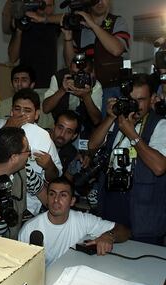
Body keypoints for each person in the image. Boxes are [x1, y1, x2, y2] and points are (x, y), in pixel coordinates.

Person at [88, 73, 166, 245]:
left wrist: (132, 134)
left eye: (141, 99)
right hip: (112, 199)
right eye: (131, 99)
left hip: (144, 206)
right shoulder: (117, 121)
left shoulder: (160, 125)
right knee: (109, 253)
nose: (135, 105)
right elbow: (92, 147)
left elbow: (160, 167)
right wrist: (110, 117)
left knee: (143, 261)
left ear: (152, 99)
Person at [0, 88, 62, 216]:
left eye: (27, 111)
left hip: (29, 205)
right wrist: (8, 127)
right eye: (17, 109)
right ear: (11, 110)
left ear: (36, 114)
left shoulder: (43, 136)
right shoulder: (0, 124)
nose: (21, 115)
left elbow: (55, 177)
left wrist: (49, 165)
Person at [18, 176, 131, 266]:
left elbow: (125, 231)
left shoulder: (83, 220)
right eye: (52, 194)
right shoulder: (30, 229)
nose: (56, 200)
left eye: (63, 195)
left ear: (72, 201)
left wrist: (109, 236)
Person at [62, 0, 130, 112]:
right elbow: (71, 65)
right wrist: (68, 37)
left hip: (113, 88)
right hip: (86, 90)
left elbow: (117, 50)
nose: (99, 2)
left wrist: (93, 25)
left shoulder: (117, 22)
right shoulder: (78, 27)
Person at [0, 127, 45, 240]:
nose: (29, 155)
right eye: (27, 151)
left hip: (10, 243)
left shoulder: (26, 173)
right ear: (14, 157)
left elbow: (48, 198)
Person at [43, 53, 102, 141]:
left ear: (92, 73)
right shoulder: (59, 78)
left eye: (82, 74)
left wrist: (86, 97)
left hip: (83, 129)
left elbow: (96, 120)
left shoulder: (94, 85)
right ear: (69, 69)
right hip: (60, 125)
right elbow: (46, 108)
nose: (78, 77)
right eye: (74, 73)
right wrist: (62, 90)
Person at [3, 0, 61, 88]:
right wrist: (19, 31)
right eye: (42, 5)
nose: (45, 8)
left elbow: (68, 17)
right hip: (27, 84)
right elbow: (12, 58)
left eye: (49, 6)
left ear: (54, 7)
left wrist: (43, 19)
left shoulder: (54, 24)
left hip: (48, 84)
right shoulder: (25, 21)